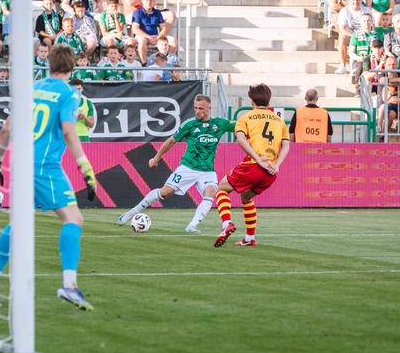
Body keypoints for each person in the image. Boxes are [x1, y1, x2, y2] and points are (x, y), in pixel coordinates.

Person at [0, 44, 97, 311]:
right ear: (72, 66)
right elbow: (69, 131)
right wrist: (85, 167)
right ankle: (69, 286)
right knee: (74, 219)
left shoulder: (31, 88)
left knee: (18, 224)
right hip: (45, 166)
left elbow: (6, 129)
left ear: (49, 63)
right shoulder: (69, 93)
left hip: (21, 164)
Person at [117, 95, 235, 234]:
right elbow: (171, 141)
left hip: (207, 170)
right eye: (195, 108)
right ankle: (131, 213)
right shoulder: (189, 124)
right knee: (165, 193)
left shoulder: (220, 124)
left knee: (210, 193)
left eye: (201, 108)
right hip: (188, 167)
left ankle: (192, 226)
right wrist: (156, 158)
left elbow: (241, 126)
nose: (197, 111)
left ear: (209, 108)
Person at [213, 84, 290, 247]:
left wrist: (257, 158)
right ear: (268, 102)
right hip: (271, 172)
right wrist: (277, 165)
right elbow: (286, 145)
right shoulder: (279, 120)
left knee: (221, 189)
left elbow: (241, 140)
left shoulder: (246, 117)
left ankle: (226, 223)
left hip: (253, 166)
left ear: (251, 101)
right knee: (246, 197)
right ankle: (249, 238)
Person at [132, 0, 176, 65]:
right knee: (142, 41)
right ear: (142, 2)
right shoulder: (137, 12)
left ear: (154, 2)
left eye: (151, 0)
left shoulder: (157, 12)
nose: (149, 2)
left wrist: (159, 36)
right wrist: (149, 37)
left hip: (155, 36)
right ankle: (144, 64)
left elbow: (163, 27)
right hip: (142, 36)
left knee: (173, 40)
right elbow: (135, 29)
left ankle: (169, 63)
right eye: (146, 0)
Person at [335, 0, 372, 74]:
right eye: (353, 0)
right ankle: (343, 66)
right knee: (341, 37)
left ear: (361, 0)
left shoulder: (366, 10)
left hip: (366, 35)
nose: (355, 2)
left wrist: (365, 35)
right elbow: (342, 29)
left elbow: (372, 26)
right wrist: (355, 36)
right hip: (351, 35)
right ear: (349, 0)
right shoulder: (344, 11)